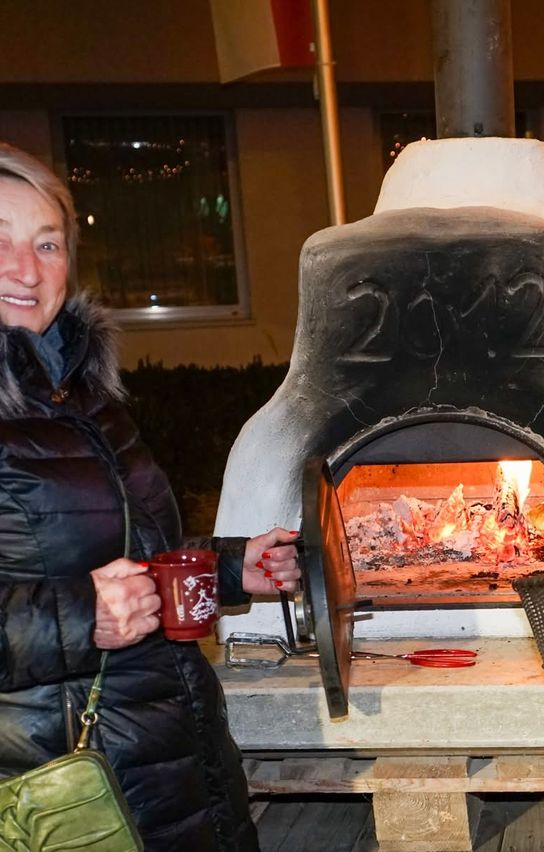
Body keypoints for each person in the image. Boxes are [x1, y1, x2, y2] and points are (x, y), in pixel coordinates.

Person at [0, 142, 301, 850]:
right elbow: (88, 598)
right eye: (0, 241)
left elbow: (134, 558)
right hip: (62, 785)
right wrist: (81, 617)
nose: (25, 268)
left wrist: (229, 568)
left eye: (47, 243)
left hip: (171, 764)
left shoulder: (83, 397)